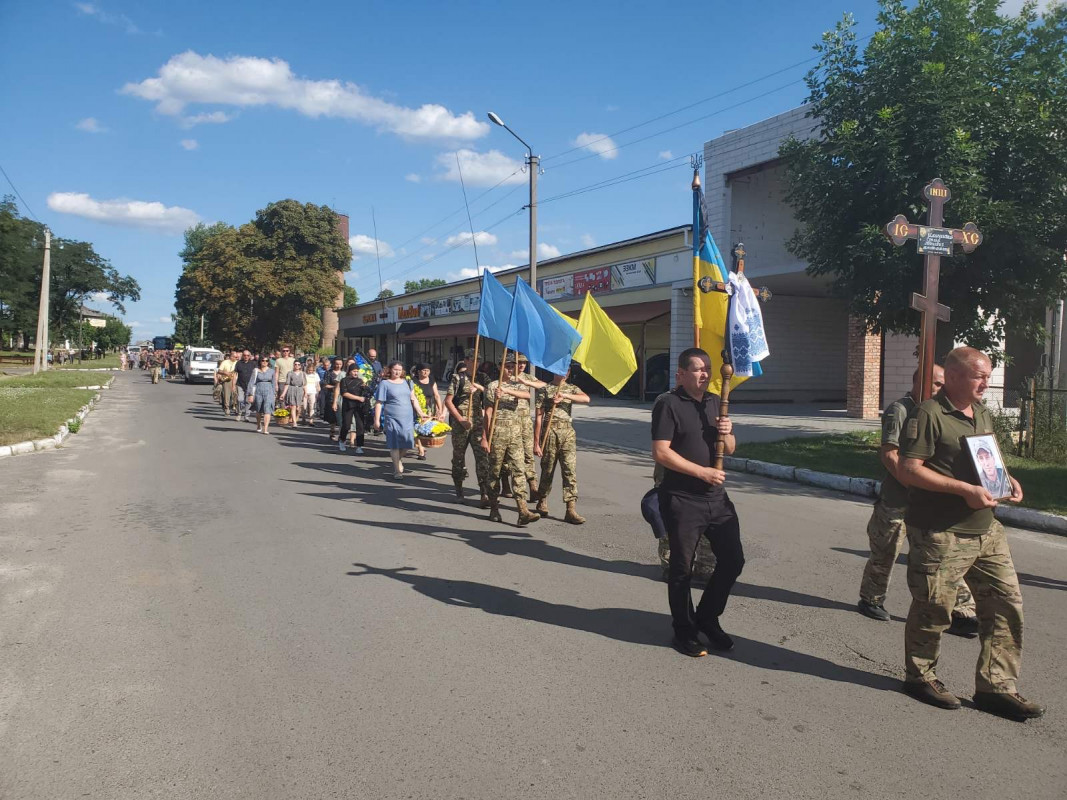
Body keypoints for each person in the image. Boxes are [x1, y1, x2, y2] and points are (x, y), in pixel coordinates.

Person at [899, 347, 1043, 720]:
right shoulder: (928, 414)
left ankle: (996, 687)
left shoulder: (980, 411)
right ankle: (920, 676)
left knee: (1005, 605)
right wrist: (964, 490)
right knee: (934, 609)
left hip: (987, 530)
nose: (987, 382)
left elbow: (985, 456)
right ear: (954, 376)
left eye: (988, 374)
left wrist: (1005, 477)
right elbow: (909, 470)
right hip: (942, 532)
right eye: (980, 375)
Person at [858, 365, 978, 635]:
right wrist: (916, 484)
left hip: (931, 503)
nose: (940, 389)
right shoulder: (901, 410)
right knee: (885, 552)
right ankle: (871, 599)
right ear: (918, 383)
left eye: (942, 384)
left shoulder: (941, 412)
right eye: (935, 384)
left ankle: (961, 611)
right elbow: (890, 455)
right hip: (899, 501)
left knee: (942, 557)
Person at [652, 347, 743, 658]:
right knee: (682, 568)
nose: (705, 373)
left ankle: (707, 617)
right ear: (681, 374)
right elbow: (661, 452)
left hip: (715, 499)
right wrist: (702, 472)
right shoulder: (668, 404)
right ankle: (684, 630)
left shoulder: (715, 401)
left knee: (733, 560)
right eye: (697, 369)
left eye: (707, 368)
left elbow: (729, 448)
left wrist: (727, 433)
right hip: (682, 498)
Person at [481, 354, 540, 526]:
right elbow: (488, 413)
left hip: (515, 433)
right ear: (500, 367)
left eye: (512, 366)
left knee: (519, 470)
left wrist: (507, 390)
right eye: (507, 366)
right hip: (497, 433)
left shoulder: (517, 384)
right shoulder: (492, 386)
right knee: (495, 471)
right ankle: (494, 507)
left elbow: (527, 395)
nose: (510, 369)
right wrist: (485, 437)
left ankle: (523, 510)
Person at [533, 369, 591, 524]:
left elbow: (586, 398)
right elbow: (539, 416)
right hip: (550, 431)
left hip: (567, 433)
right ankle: (542, 500)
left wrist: (565, 396)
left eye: (567, 371)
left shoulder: (571, 388)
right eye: (561, 370)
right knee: (548, 468)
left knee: (569, 470)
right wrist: (536, 443)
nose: (564, 373)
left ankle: (570, 508)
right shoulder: (545, 389)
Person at [445, 353, 489, 505]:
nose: (476, 363)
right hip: (461, 422)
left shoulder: (482, 378)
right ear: (466, 361)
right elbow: (448, 401)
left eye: (479, 360)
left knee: (482, 458)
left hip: (477, 421)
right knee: (458, 457)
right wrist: (460, 419)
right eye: (473, 360)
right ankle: (459, 491)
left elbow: (491, 394)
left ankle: (484, 493)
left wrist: (479, 388)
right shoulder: (458, 378)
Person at [374, 361, 426, 479]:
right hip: (392, 418)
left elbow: (413, 399)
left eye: (399, 370)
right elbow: (379, 403)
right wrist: (376, 420)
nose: (397, 372)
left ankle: (398, 460)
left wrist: (421, 413)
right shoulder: (385, 384)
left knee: (408, 443)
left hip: (407, 418)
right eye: (395, 369)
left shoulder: (408, 382)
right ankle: (397, 471)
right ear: (390, 370)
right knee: (394, 444)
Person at [514, 354, 540, 499]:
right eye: (519, 362)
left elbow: (543, 385)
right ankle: (505, 484)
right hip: (510, 422)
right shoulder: (507, 377)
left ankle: (533, 486)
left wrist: (526, 382)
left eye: (524, 363)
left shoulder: (527, 377)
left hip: (525, 422)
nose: (522, 365)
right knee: (508, 457)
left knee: (528, 455)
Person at [411, 363, 444, 460]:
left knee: (426, 427)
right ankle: (421, 450)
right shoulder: (414, 381)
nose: (426, 372)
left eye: (428, 371)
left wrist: (440, 410)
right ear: (418, 371)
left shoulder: (432, 380)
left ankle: (423, 443)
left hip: (430, 407)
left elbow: (437, 395)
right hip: (416, 407)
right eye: (424, 370)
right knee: (417, 428)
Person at [338, 363, 368, 453]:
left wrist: (365, 388)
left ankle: (359, 446)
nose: (356, 373)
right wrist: (358, 398)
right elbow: (344, 393)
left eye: (357, 371)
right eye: (354, 371)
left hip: (359, 406)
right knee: (346, 425)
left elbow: (365, 393)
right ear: (349, 371)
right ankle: (342, 440)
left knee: (360, 425)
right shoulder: (344, 380)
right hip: (348, 405)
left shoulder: (360, 381)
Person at [248, 356, 278, 434]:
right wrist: (250, 394)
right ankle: (258, 424)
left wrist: (274, 393)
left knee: (267, 409)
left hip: (269, 391)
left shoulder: (272, 371)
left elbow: (274, 383)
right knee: (258, 409)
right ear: (260, 361)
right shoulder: (256, 371)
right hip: (259, 390)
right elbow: (251, 382)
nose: (264, 362)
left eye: (266, 360)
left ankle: (266, 428)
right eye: (263, 360)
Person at [322, 358, 344, 441]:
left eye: (340, 364)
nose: (338, 366)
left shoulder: (344, 373)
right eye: (337, 364)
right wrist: (335, 387)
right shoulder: (329, 373)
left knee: (341, 416)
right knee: (333, 416)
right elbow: (325, 384)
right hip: (331, 396)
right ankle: (332, 432)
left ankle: (341, 435)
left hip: (342, 396)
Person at [281, 359, 307, 427]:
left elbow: (304, 384)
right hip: (292, 389)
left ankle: (296, 417)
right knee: (293, 407)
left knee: (298, 408)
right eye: (295, 364)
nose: (297, 366)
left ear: (300, 366)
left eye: (298, 364)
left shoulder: (303, 374)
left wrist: (306, 392)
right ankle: (294, 422)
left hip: (300, 390)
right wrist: (283, 393)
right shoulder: (290, 373)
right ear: (293, 365)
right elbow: (287, 384)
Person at [234, 350, 256, 422]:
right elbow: (235, 374)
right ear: (242, 356)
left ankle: (246, 416)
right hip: (240, 384)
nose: (246, 357)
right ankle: (239, 413)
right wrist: (233, 384)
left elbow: (256, 374)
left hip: (250, 385)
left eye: (247, 355)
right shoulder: (238, 363)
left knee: (248, 401)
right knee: (240, 399)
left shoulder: (253, 364)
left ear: (250, 356)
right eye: (245, 355)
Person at [216, 350, 238, 416]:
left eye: (237, 357)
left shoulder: (238, 363)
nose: (236, 358)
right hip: (227, 380)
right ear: (231, 356)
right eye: (235, 357)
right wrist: (225, 372)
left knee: (235, 394)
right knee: (227, 395)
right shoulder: (225, 362)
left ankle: (235, 407)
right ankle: (227, 408)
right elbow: (219, 370)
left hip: (236, 380)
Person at [304, 360, 321, 425]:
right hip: (305, 391)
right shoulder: (304, 374)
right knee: (304, 406)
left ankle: (311, 420)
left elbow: (317, 383)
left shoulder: (316, 375)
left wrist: (318, 389)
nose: (310, 371)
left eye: (312, 370)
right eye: (309, 370)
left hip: (313, 391)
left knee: (312, 406)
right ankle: (304, 418)